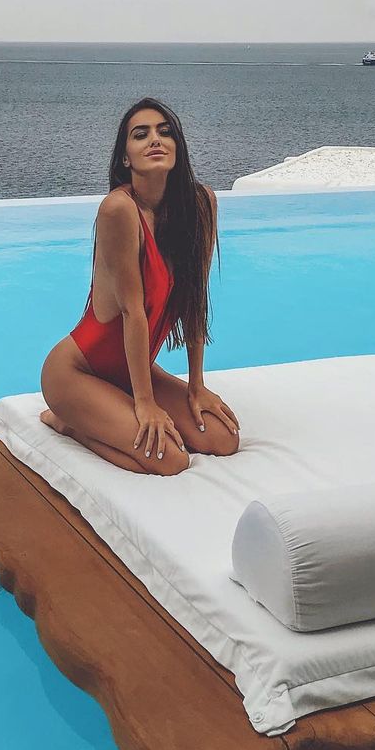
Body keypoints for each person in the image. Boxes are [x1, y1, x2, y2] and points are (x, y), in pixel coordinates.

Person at [40, 96, 240, 475]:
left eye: (164, 132)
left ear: (177, 147)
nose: (155, 139)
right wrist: (145, 404)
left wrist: (196, 385)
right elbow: (133, 313)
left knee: (223, 439)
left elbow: (196, 300)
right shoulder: (119, 210)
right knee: (171, 460)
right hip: (76, 374)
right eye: (140, 134)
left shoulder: (201, 204)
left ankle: (111, 410)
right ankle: (67, 423)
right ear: (125, 158)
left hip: (133, 373)